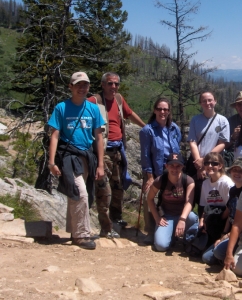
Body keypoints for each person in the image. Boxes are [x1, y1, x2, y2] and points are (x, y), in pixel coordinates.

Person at [48, 72, 105, 250]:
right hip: (68, 156)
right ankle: (82, 234)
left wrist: (101, 164)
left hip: (87, 156)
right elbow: (55, 135)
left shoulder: (93, 109)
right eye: (78, 84)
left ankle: (73, 231)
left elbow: (99, 137)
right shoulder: (61, 108)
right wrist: (51, 162)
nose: (82, 88)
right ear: (70, 87)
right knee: (79, 191)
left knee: (81, 192)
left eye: (85, 85)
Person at [87, 72, 145, 238]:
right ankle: (106, 227)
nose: (113, 87)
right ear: (103, 84)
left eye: (116, 84)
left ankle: (116, 219)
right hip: (102, 152)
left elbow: (129, 113)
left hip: (118, 151)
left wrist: (145, 127)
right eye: (110, 83)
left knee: (118, 187)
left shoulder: (119, 99)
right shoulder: (94, 101)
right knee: (104, 191)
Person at [140, 98, 182, 245]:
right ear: (155, 110)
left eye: (165, 109)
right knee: (149, 195)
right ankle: (151, 230)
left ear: (169, 111)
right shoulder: (147, 130)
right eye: (159, 109)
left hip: (173, 171)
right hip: (156, 171)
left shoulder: (175, 129)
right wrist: (150, 177)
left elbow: (178, 151)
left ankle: (175, 229)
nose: (162, 112)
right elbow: (145, 155)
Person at [202, 157, 242, 265]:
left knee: (218, 253)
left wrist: (227, 236)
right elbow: (229, 213)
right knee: (206, 257)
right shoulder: (233, 190)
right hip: (231, 230)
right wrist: (223, 233)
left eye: (241, 171)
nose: (237, 173)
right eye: (235, 170)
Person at [146, 153, 198, 252]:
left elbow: (189, 202)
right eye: (171, 165)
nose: (174, 169)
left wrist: (182, 220)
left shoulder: (188, 181)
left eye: (178, 166)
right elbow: (150, 199)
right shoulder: (160, 180)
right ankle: (172, 236)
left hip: (183, 215)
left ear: (182, 167)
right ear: (166, 166)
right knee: (161, 246)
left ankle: (188, 241)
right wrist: (157, 217)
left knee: (192, 217)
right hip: (167, 216)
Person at [187, 91, 230, 206]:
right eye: (204, 101)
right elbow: (192, 141)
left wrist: (204, 161)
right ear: (200, 103)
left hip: (213, 163)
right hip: (196, 162)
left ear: (215, 101)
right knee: (193, 195)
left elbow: (222, 144)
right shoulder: (195, 120)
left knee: (212, 195)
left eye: (210, 100)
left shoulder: (223, 120)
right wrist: (199, 164)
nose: (207, 103)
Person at [198, 152, 234, 242]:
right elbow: (204, 206)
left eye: (214, 163)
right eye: (206, 163)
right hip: (210, 216)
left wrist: (216, 220)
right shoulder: (205, 183)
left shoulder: (227, 183)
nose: (210, 166)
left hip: (224, 219)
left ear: (220, 166)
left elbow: (230, 208)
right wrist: (202, 221)